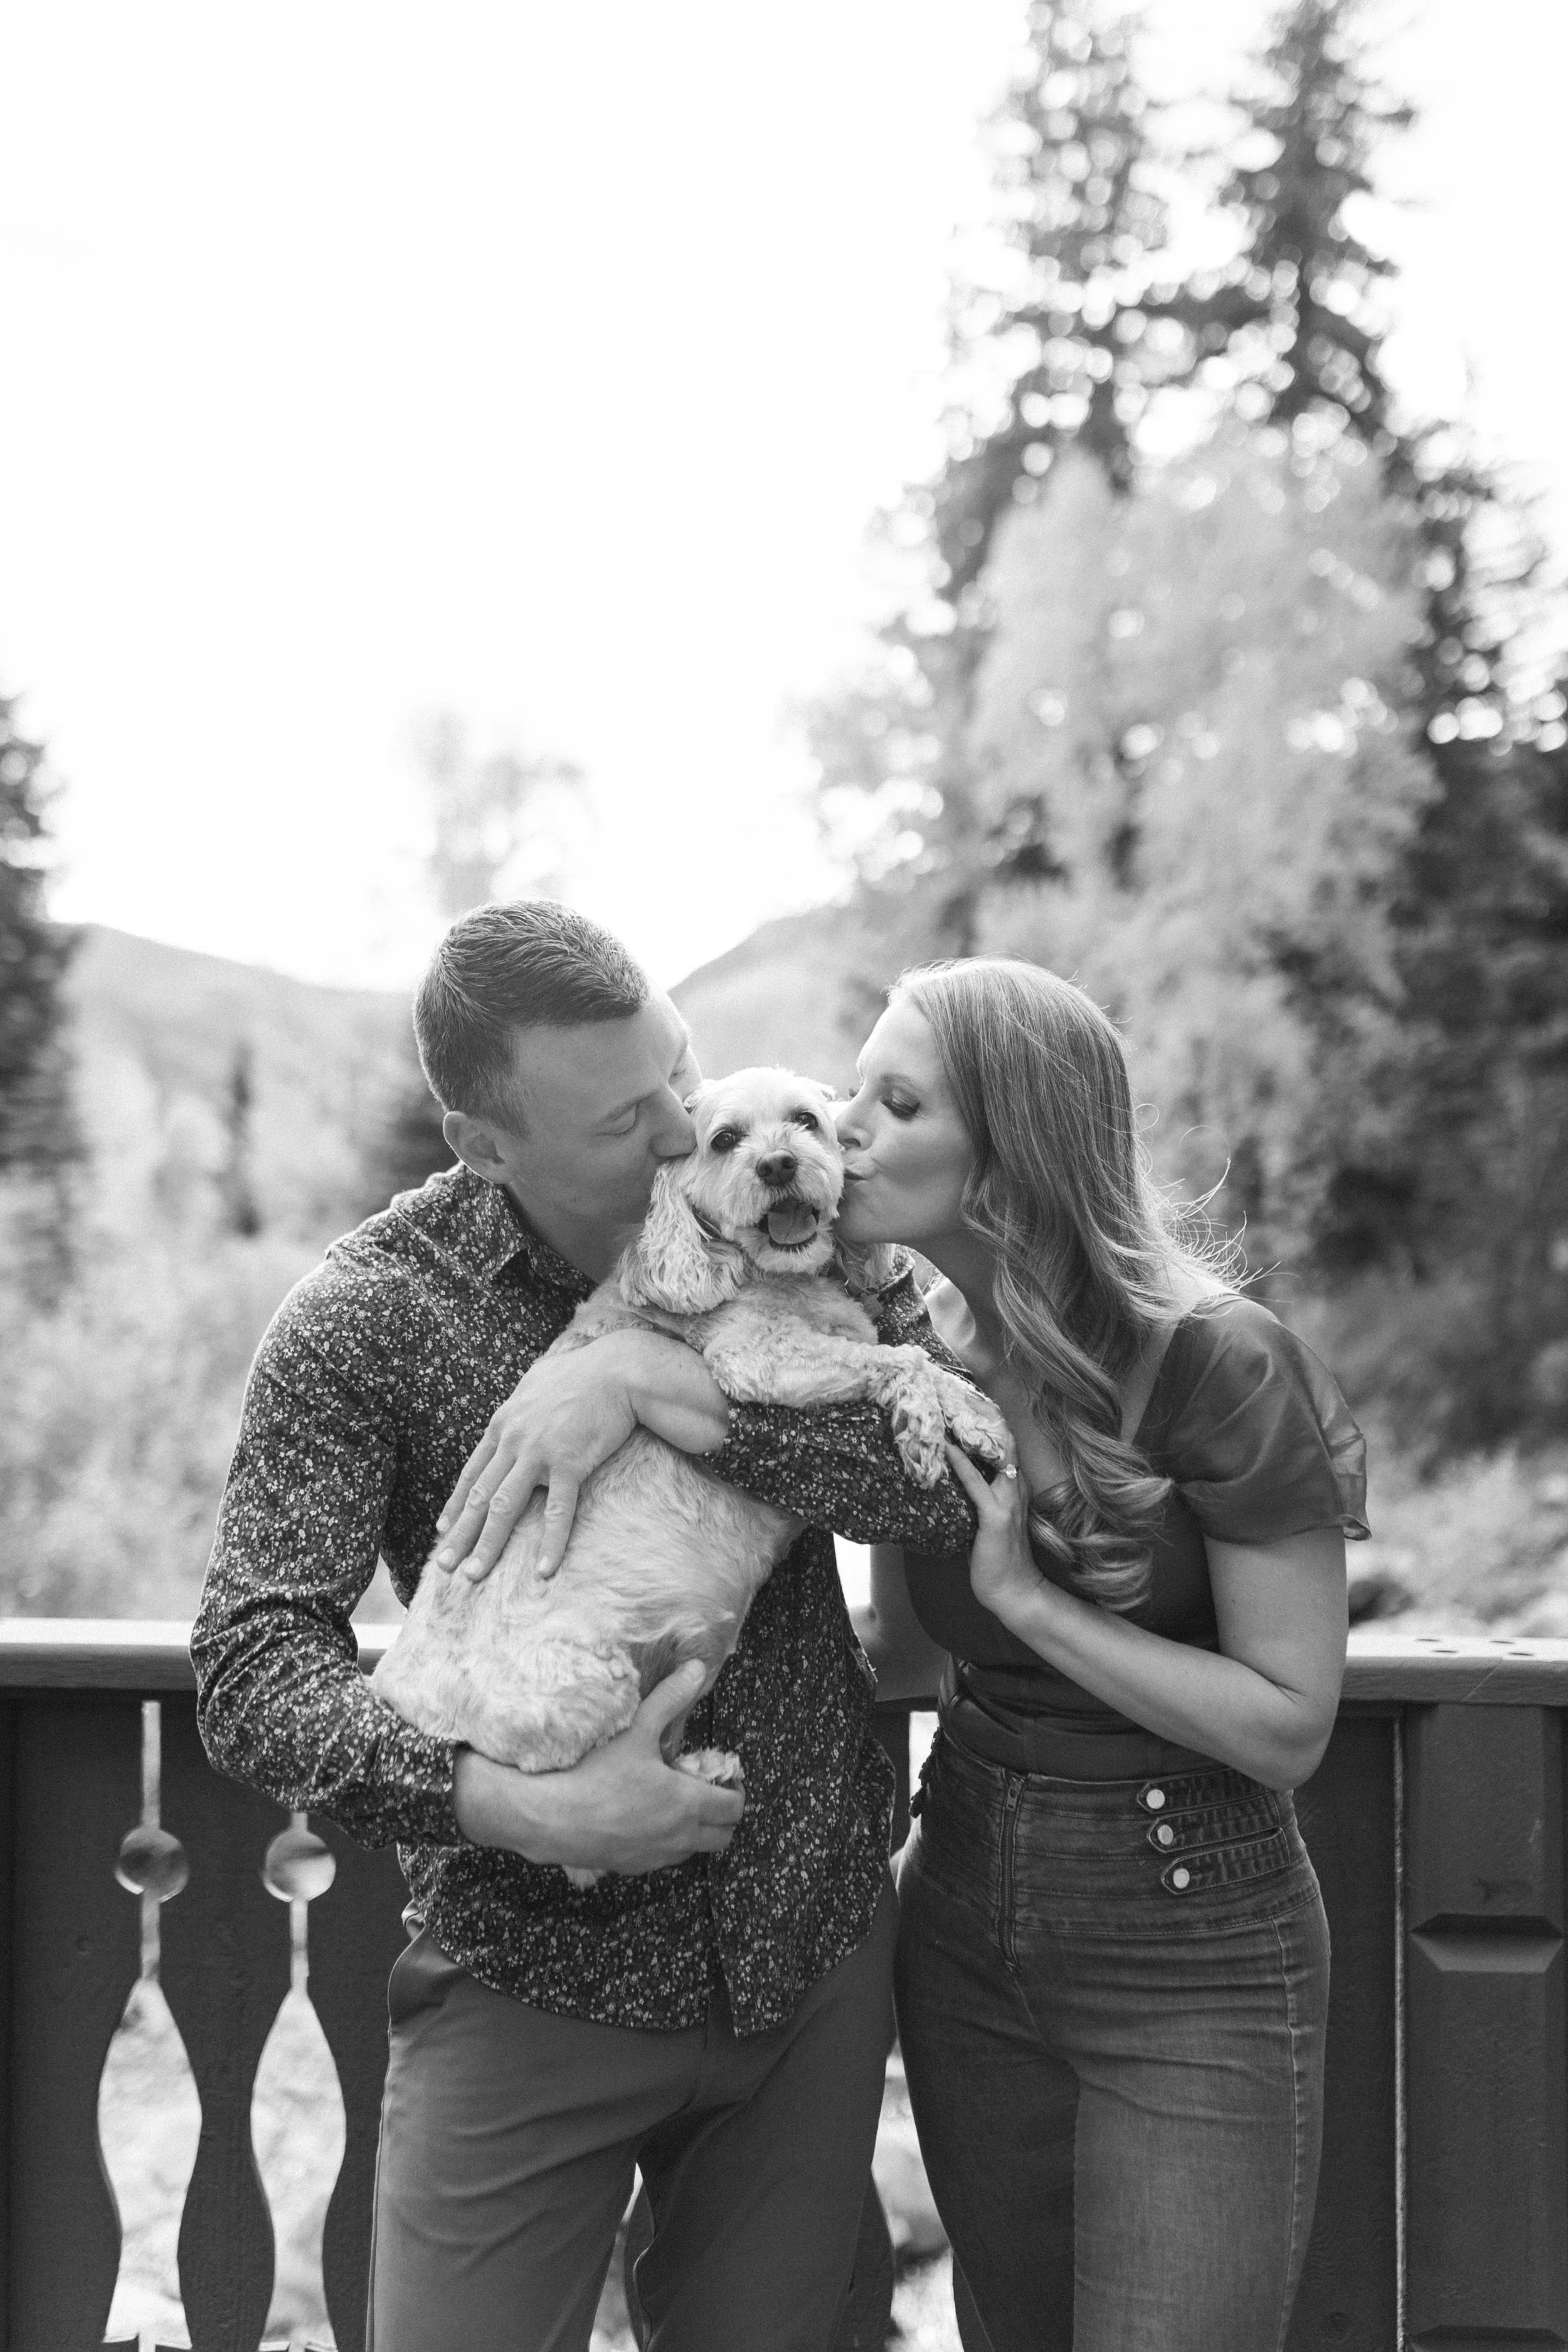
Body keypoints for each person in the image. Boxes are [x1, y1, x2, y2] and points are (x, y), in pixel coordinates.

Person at [191, 900, 978, 2352]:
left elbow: (936, 1492)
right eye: (633, 1121)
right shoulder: (365, 1317)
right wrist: (501, 1804)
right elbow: (252, 1664)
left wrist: (649, 1385)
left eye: (680, 1076)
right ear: (484, 1145)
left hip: (801, 1964)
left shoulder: (805, 1224)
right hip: (525, 1980)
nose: (689, 1137)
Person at [834, 957, 1367, 2352]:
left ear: (1010, 1153)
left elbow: (1287, 1722)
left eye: (893, 1104)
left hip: (1188, 1935)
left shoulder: (1219, 1365)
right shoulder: (912, 1355)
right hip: (957, 1902)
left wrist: (1032, 1600)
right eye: (851, 1091)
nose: (843, 1129)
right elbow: (895, 1650)